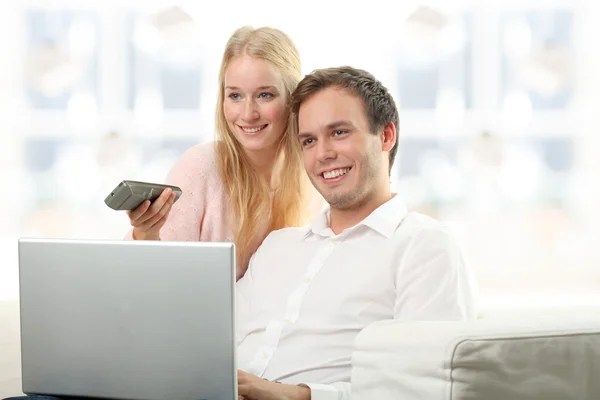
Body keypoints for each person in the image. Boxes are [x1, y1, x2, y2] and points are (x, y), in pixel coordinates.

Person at [234, 66, 478, 400]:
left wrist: (296, 395)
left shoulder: (423, 247)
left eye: (339, 133)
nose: (322, 154)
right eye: (309, 141)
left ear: (386, 136)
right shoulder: (277, 246)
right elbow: (208, 343)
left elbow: (423, 388)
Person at [124, 25, 316, 280]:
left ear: (292, 99)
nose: (248, 114)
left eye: (265, 95)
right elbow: (147, 281)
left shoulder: (314, 173)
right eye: (235, 95)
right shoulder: (201, 168)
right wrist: (146, 235)